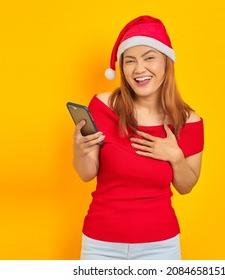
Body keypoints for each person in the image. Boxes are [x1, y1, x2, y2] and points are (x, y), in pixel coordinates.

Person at [73, 15, 204, 260]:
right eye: (129, 61)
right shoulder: (102, 107)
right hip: (100, 244)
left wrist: (175, 157)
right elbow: (86, 173)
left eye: (149, 58)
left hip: (160, 246)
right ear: (121, 67)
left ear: (166, 63)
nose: (139, 69)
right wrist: (79, 150)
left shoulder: (189, 121)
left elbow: (186, 187)